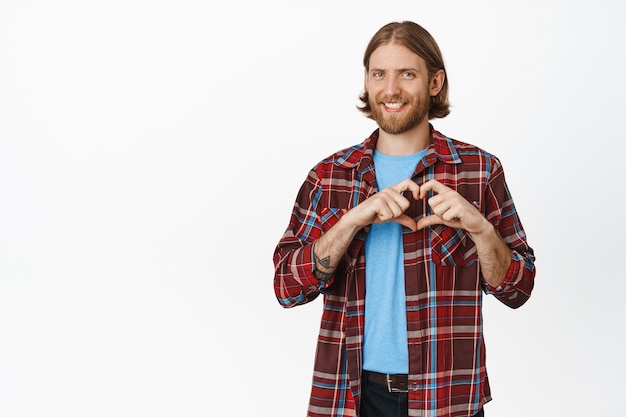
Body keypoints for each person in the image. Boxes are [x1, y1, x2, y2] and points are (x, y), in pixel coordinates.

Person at [273, 20, 535, 417]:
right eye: (379, 74)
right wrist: (349, 223)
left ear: (434, 83)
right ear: (367, 80)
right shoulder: (331, 176)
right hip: (351, 397)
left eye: (407, 74)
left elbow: (518, 289)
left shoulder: (478, 171)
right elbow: (286, 288)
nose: (390, 89)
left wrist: (480, 228)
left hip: (447, 397)